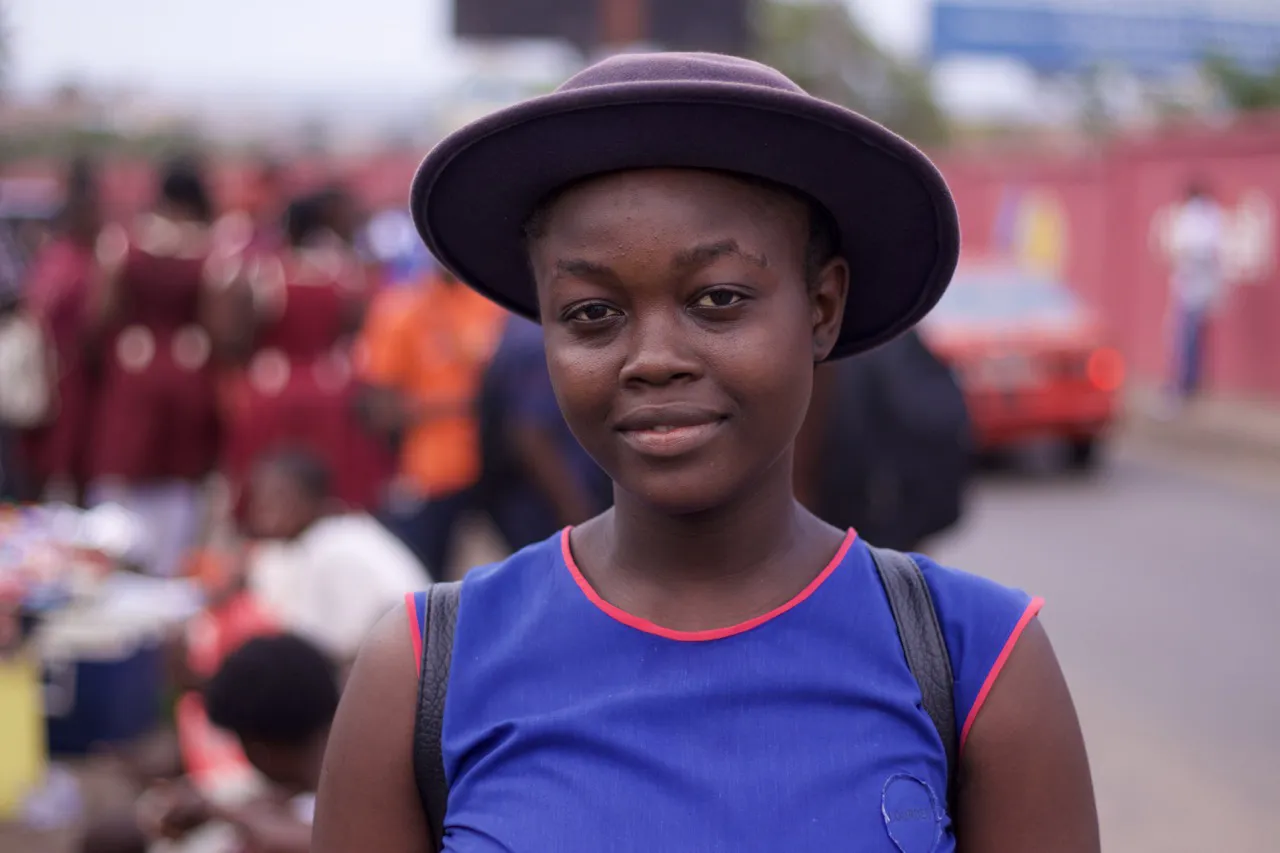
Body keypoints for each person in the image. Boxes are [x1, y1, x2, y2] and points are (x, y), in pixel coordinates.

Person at [314, 53, 1099, 853]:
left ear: (822, 308)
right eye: (591, 311)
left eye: (717, 299)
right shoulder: (421, 676)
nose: (653, 356)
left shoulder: (978, 666)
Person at [83, 156, 225, 576]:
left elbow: (100, 315)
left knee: (121, 475)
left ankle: (111, 567)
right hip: (186, 372)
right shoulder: (208, 252)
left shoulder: (125, 245)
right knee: (178, 486)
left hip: (134, 372)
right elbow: (219, 325)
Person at [221, 193, 387, 512]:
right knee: (337, 486)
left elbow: (237, 332)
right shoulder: (344, 273)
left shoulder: (268, 272)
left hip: (274, 387)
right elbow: (360, 326)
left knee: (267, 486)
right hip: (329, 388)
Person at [355, 262, 505, 575]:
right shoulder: (401, 309)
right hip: (434, 471)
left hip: (504, 464)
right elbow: (380, 410)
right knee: (424, 576)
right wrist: (467, 405)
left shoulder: (491, 300)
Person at [138, 634, 338, 853]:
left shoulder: (338, 804)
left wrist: (223, 813)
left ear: (256, 747)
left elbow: (297, 840)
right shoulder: (334, 777)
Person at [242, 447, 431, 663]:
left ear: (309, 498)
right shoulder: (326, 537)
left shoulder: (336, 546)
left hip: (408, 667)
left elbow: (339, 645)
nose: (262, 509)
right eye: (259, 497)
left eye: (277, 497)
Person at [476, 314, 610, 551]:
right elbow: (530, 434)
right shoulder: (539, 342)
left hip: (528, 497)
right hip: (545, 503)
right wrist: (576, 511)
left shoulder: (519, 326)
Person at [17, 157, 103, 503]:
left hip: (81, 377)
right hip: (58, 375)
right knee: (46, 464)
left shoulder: (86, 259)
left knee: (80, 462)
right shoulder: (62, 262)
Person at [1165, 180, 1227, 407]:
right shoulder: (1207, 216)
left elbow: (1195, 248)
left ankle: (1185, 385)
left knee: (1187, 336)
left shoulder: (1202, 217)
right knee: (1186, 335)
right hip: (1192, 286)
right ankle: (1185, 383)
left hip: (1195, 287)